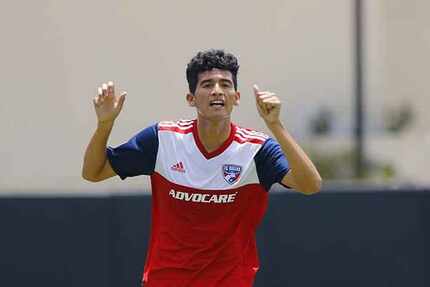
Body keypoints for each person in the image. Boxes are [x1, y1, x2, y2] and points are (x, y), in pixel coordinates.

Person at [82, 49, 322, 287]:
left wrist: (276, 125)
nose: (217, 90)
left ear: (236, 97)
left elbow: (311, 185)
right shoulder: (162, 139)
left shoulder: (257, 149)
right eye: (207, 84)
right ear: (191, 98)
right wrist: (105, 124)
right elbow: (93, 172)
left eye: (225, 84)